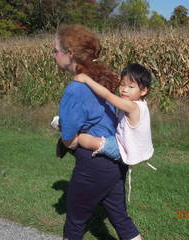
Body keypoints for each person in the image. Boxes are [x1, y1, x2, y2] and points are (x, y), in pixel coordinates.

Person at [53, 24, 142, 240]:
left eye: (55, 50)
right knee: (121, 220)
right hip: (115, 162)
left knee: (74, 224)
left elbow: (69, 140)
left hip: (92, 166)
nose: (53, 55)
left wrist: (65, 132)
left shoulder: (75, 89)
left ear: (70, 54)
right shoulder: (100, 81)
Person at [74, 63, 154, 166]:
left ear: (143, 91)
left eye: (130, 87)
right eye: (122, 84)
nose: (124, 90)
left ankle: (69, 141)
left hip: (124, 150)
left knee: (84, 139)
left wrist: (86, 80)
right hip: (128, 145)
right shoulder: (140, 104)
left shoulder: (132, 107)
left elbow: (107, 95)